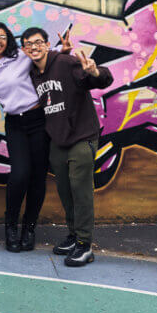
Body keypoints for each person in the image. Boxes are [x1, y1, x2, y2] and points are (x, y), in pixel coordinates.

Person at [22, 27, 113, 267]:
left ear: (46, 44)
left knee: (80, 190)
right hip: (58, 140)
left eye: (38, 42)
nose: (33, 47)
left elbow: (99, 79)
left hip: (82, 136)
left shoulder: (65, 62)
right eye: (28, 44)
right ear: (24, 49)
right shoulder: (33, 72)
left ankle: (85, 245)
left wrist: (95, 71)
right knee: (65, 191)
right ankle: (74, 235)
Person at [0, 23, 71, 253]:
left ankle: (29, 228)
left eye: (2, 36)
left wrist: (63, 51)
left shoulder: (21, 55)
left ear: (8, 40)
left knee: (37, 177)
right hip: (15, 123)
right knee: (19, 175)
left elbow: (44, 56)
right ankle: (10, 228)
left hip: (38, 119)